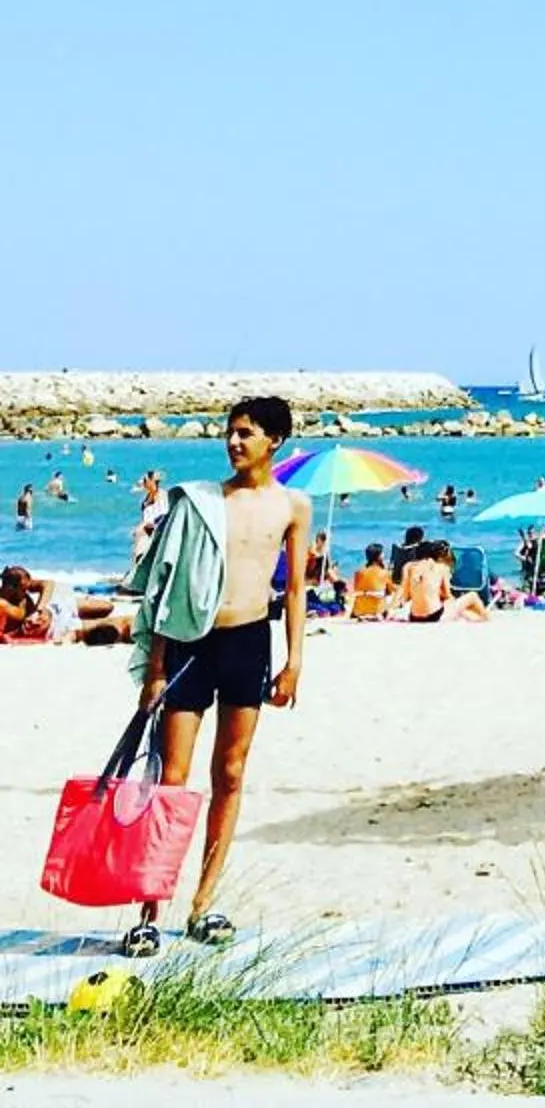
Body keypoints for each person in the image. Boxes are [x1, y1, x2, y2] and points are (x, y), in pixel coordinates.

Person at [125, 393, 310, 953]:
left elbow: (297, 588)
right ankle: (149, 910)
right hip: (189, 642)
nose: (234, 442)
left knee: (229, 773)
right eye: (230, 432)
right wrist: (155, 668)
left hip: (249, 642)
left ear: (274, 441)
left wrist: (294, 661)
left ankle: (203, 904)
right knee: (171, 776)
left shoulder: (293, 507)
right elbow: (166, 585)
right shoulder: (202, 502)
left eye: (246, 433)